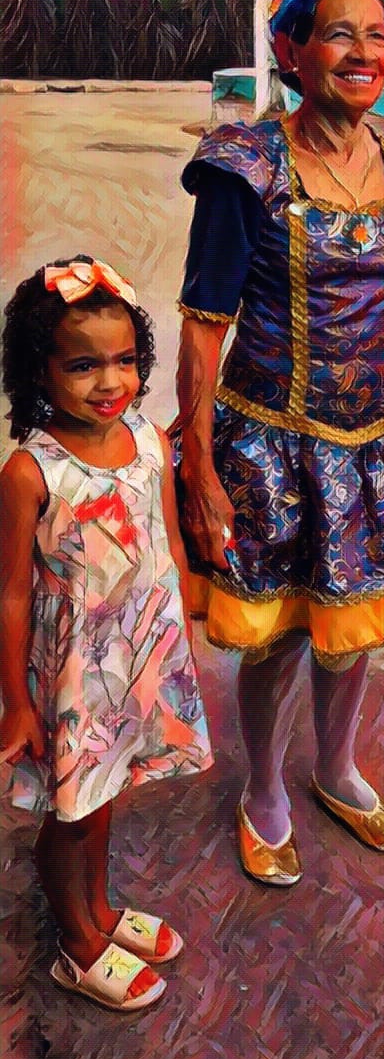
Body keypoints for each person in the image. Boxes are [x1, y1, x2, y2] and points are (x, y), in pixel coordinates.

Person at [176, 0, 384, 885]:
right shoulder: (245, 166)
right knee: (277, 637)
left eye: (377, 36)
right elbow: (204, 323)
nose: (362, 53)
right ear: (292, 48)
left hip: (376, 441)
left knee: (353, 628)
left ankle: (337, 770)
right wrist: (201, 468)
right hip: (268, 441)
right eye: (338, 34)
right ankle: (264, 787)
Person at [0, 257, 212, 1011]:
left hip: (139, 660)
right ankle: (77, 945)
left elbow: (169, 542)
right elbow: (11, 592)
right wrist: (17, 704)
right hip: (72, 678)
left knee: (107, 790)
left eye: (124, 360)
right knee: (72, 812)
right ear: (40, 370)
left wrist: (180, 630)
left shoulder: (150, 441)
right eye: (83, 365)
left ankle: (99, 909)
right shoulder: (31, 473)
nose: (109, 382)